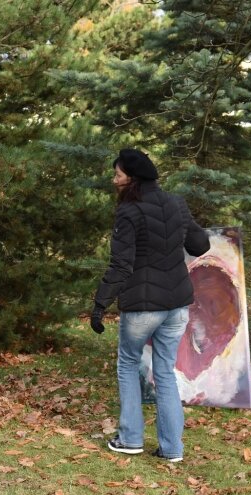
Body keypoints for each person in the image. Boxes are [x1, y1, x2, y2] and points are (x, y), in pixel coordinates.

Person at [91, 149, 210, 463]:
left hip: (143, 307)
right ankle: (172, 449)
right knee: (165, 373)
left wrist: (100, 303)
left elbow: (121, 265)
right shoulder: (177, 204)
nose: (114, 180)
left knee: (128, 365)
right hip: (177, 306)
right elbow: (200, 245)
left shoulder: (129, 212)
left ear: (132, 178)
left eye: (117, 175)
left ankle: (130, 439)